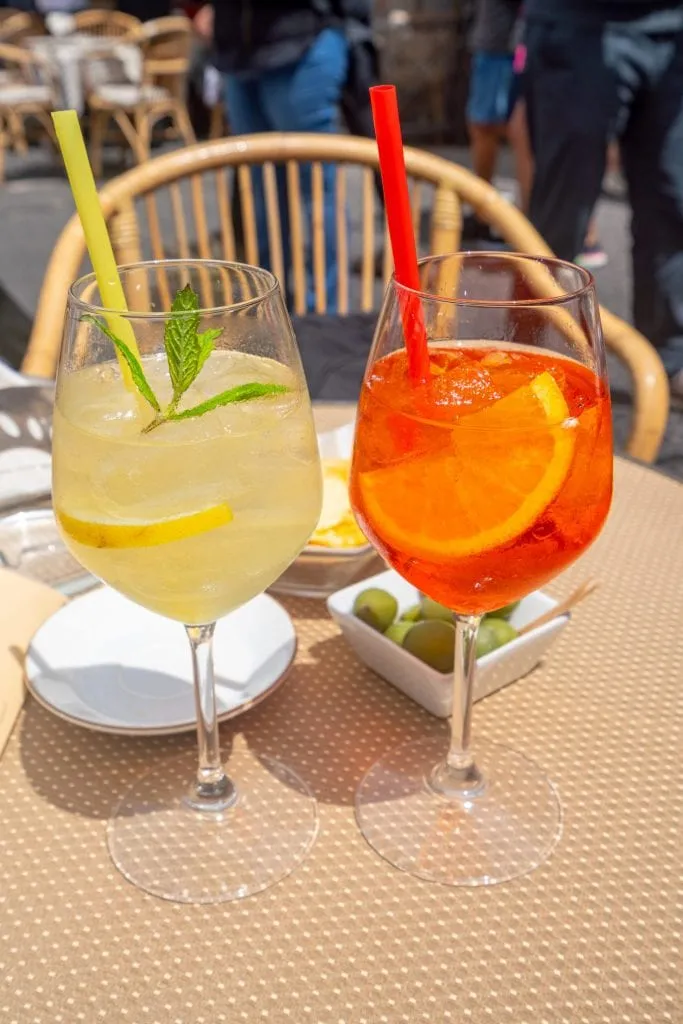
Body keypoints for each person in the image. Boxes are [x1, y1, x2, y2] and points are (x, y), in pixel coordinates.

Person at [523, 0, 683, 397]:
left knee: (673, 202)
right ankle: (531, 357)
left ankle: (671, 356)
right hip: (577, 20)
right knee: (563, 212)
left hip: (673, 27)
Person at [195, 1, 359, 312]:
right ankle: (267, 306)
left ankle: (325, 311)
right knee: (261, 190)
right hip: (238, 53)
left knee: (315, 191)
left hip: (303, 41)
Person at [464, 0, 532, 238]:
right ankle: (486, 213)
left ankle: (524, 228)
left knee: (518, 132)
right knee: (509, 130)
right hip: (505, 43)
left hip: (508, 47)